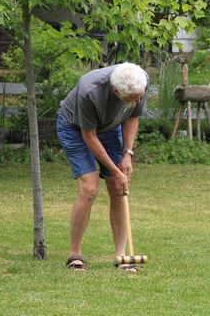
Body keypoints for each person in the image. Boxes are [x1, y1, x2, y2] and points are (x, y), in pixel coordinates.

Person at [57, 62, 149, 272]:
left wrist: (128, 154)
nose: (138, 101)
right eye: (132, 99)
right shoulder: (90, 90)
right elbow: (89, 136)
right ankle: (74, 254)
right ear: (116, 92)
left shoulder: (139, 79)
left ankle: (121, 256)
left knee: (118, 189)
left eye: (140, 96)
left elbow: (132, 117)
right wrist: (116, 171)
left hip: (110, 128)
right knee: (89, 189)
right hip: (76, 129)